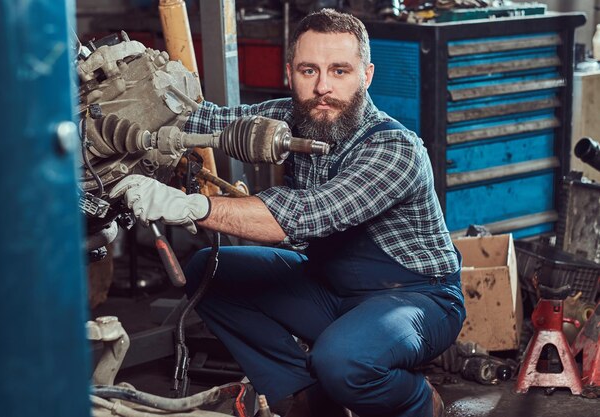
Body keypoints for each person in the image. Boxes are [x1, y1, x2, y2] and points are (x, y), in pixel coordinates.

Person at [111, 8, 465, 417]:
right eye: (308, 70)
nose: (323, 87)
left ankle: (419, 402)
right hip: (330, 287)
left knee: (342, 361)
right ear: (289, 72)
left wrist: (184, 205)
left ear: (366, 76)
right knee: (208, 270)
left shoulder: (396, 150)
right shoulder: (289, 117)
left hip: (418, 299)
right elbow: (210, 120)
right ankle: (307, 397)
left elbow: (307, 214)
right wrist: (134, 104)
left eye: (339, 71)